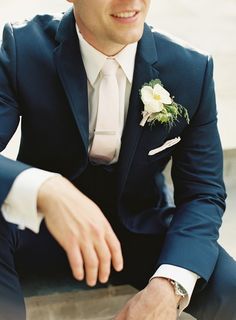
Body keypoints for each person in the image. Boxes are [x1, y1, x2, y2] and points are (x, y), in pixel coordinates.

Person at [0, 0, 235, 319]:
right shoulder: (24, 46)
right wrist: (46, 188)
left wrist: (170, 286)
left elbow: (203, 194)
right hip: (43, 230)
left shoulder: (190, 69)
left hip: (139, 232)